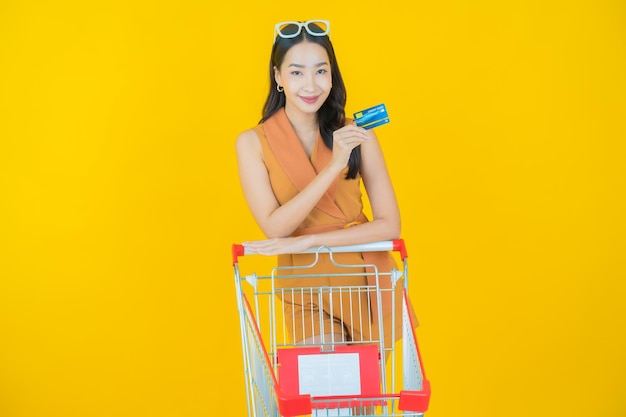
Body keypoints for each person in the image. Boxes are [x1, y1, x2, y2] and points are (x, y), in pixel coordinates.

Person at [236, 19, 416, 352]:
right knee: (330, 393)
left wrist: (314, 241)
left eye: (321, 71)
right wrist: (334, 166)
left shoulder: (358, 133)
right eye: (296, 72)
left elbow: (390, 225)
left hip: (366, 279)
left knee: (364, 402)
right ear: (278, 77)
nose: (311, 85)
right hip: (305, 285)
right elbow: (275, 227)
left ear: (332, 76)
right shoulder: (252, 143)